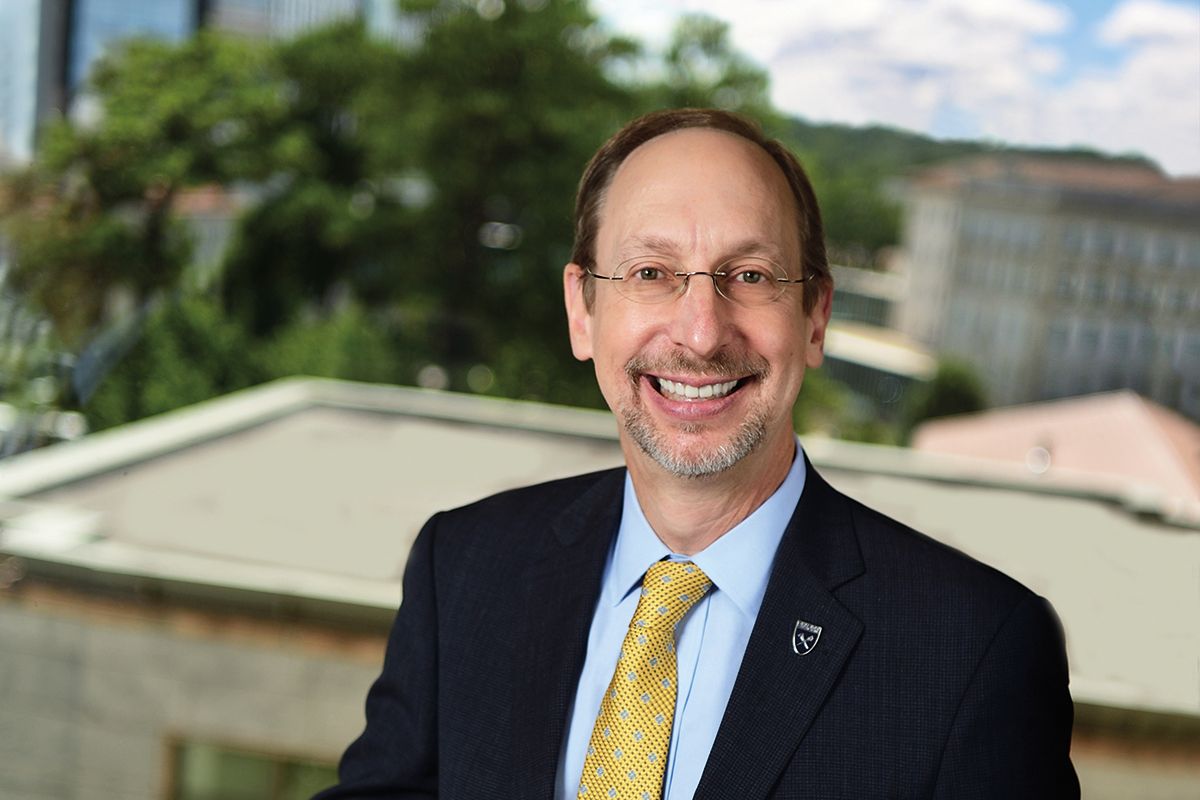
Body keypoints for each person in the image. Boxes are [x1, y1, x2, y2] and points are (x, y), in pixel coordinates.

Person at [315, 108, 1078, 799]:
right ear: (584, 311)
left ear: (816, 318)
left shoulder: (976, 652)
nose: (702, 334)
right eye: (651, 273)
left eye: (749, 276)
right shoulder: (467, 569)